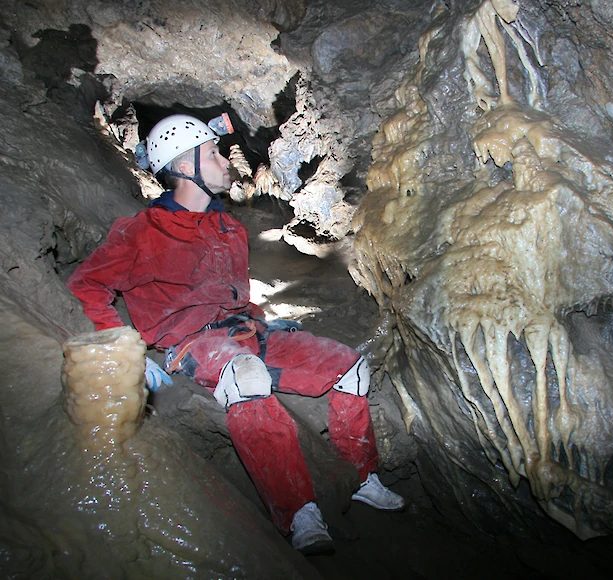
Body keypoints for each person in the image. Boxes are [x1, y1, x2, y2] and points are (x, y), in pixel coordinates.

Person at [67, 113, 405, 555]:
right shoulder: (143, 232)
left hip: (244, 332)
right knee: (246, 376)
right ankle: (298, 512)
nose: (226, 161)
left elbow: (231, 294)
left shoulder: (226, 227)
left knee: (350, 367)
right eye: (212, 153)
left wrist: (262, 319)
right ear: (183, 166)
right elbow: (88, 285)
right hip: (191, 343)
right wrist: (126, 351)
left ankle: (363, 476)